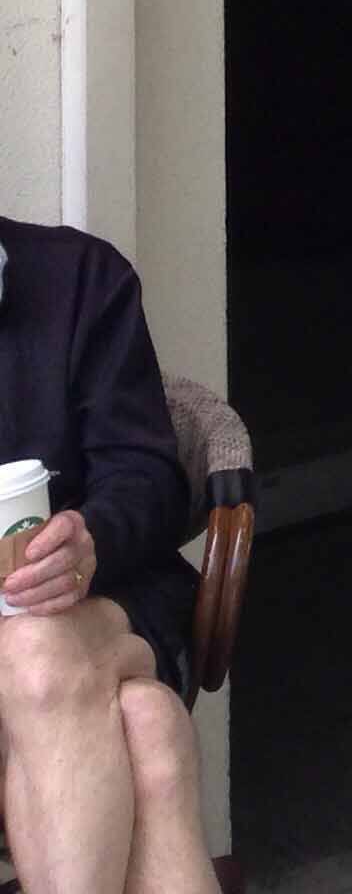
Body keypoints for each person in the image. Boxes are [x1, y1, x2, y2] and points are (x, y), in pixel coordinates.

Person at [0, 219, 217, 894]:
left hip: (108, 602)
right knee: (148, 725)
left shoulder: (82, 277)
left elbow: (146, 474)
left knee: (35, 656)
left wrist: (91, 537)